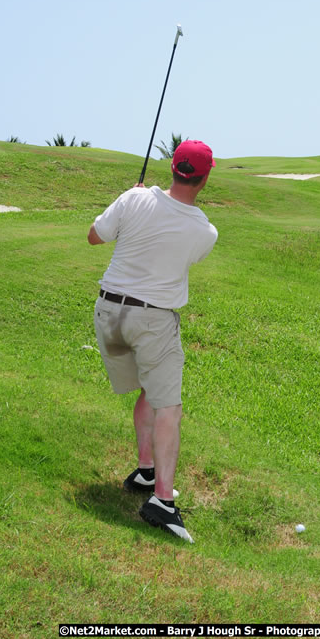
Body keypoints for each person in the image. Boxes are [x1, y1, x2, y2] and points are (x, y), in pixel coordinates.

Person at [88, 140, 218, 543]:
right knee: (169, 408)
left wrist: (133, 199)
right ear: (204, 176)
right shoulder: (205, 230)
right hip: (152, 322)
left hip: (108, 315)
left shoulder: (133, 198)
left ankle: (146, 471)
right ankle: (162, 501)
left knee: (150, 390)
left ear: (173, 167)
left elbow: (94, 237)